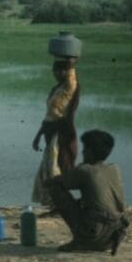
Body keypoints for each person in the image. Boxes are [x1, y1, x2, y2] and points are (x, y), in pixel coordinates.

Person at [46, 129, 129, 254]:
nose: (82, 152)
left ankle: (81, 241)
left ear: (89, 151)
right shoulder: (115, 169)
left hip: (93, 236)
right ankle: (86, 239)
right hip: (113, 237)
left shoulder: (85, 171)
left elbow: (54, 182)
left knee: (55, 189)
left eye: (84, 149)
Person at [33, 58, 80, 208]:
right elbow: (49, 115)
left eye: (61, 70)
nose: (57, 73)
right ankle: (56, 204)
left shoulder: (69, 87)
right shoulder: (56, 89)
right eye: (55, 71)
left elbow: (72, 79)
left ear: (66, 72)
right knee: (48, 168)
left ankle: (61, 205)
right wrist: (38, 135)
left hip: (62, 134)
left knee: (57, 168)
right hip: (51, 132)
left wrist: (71, 61)